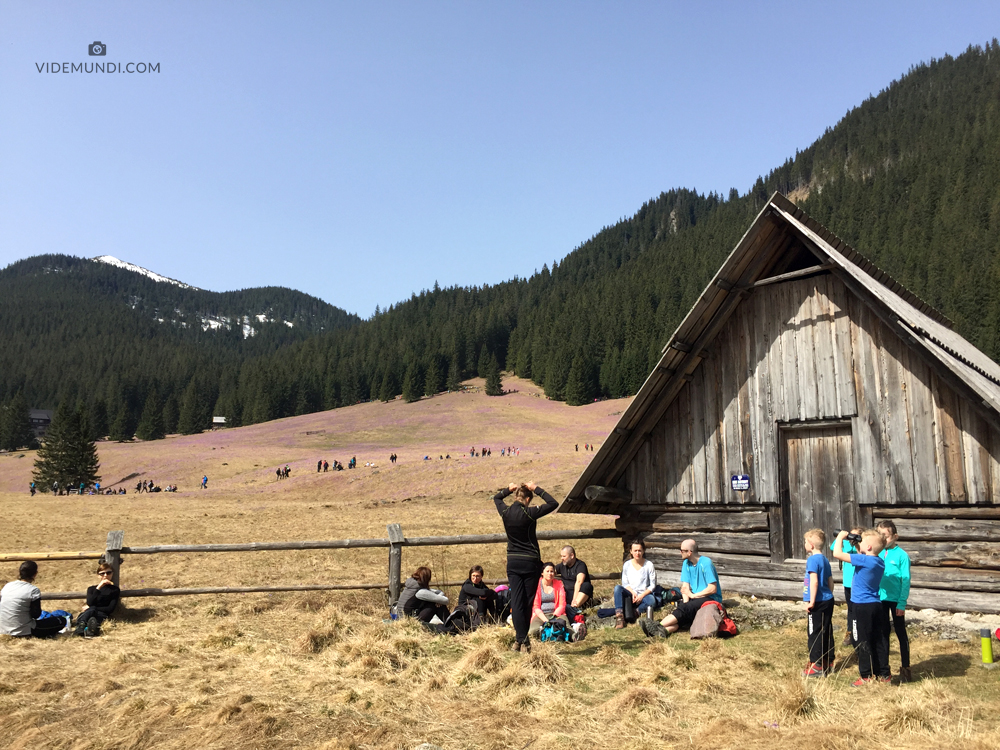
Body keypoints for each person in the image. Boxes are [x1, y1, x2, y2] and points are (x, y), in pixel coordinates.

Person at [494, 481, 559, 652]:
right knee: (528, 601)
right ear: (528, 499)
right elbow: (553, 503)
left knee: (516, 600)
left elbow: (497, 497)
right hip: (530, 562)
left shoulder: (506, 512)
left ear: (516, 497)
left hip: (513, 561)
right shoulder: (530, 513)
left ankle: (520, 640)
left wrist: (508, 489)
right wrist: (536, 487)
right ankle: (523, 640)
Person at [833, 529, 889, 685]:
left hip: (861, 606)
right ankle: (883, 674)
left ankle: (865, 676)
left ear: (869, 547)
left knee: (860, 640)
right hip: (875, 605)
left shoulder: (863, 560)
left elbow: (837, 554)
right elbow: (864, 554)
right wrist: (858, 543)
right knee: (877, 640)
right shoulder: (878, 562)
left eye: (864, 542)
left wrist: (840, 537)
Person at [657, 539, 722, 634]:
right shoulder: (686, 563)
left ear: (689, 552)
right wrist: (686, 602)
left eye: (682, 550)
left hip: (710, 598)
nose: (680, 552)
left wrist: (693, 596)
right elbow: (685, 587)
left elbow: (712, 589)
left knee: (685, 609)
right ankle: (663, 631)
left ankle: (657, 625)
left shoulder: (706, 563)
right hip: (695, 597)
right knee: (684, 611)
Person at [877, 520, 912, 683]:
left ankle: (906, 667)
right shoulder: (877, 553)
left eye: (886, 536)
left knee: (900, 633)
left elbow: (905, 579)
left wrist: (902, 603)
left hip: (896, 600)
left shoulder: (901, 555)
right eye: (880, 535)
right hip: (880, 600)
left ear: (895, 536)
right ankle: (884, 670)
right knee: (883, 634)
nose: (883, 539)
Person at [0, 561, 65, 638]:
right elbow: (36, 614)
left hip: (3, 629)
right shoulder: (33, 590)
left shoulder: (7, 586)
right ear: (35, 574)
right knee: (61, 620)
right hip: (24, 630)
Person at [802, 529, 835, 677]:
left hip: (818, 601)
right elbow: (830, 582)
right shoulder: (825, 560)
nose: (804, 544)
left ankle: (816, 665)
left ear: (811, 544)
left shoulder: (812, 560)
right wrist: (829, 595)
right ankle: (827, 661)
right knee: (826, 630)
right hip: (827, 599)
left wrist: (812, 602)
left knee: (814, 632)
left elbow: (814, 582)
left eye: (804, 542)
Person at [613, 540, 656, 629]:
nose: (637, 553)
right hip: (630, 593)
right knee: (617, 588)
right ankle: (620, 617)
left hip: (644, 594)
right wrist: (633, 593)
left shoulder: (649, 565)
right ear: (631, 551)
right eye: (635, 550)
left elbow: (652, 585)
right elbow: (625, 583)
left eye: (639, 550)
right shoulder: (627, 565)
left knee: (651, 600)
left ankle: (635, 612)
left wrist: (641, 596)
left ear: (643, 551)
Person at [833, 526, 863, 647]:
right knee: (850, 609)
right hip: (847, 582)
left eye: (856, 535)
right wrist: (842, 537)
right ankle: (850, 632)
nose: (852, 538)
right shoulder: (845, 544)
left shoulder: (860, 547)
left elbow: (862, 555)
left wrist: (857, 544)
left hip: (857, 583)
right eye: (851, 535)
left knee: (858, 608)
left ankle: (859, 632)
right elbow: (834, 549)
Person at [73, 562, 120, 637]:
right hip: (89, 612)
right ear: (98, 575)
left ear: (112, 574)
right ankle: (82, 627)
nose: (105, 575)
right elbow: (90, 602)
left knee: (94, 616)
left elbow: (110, 609)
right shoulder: (91, 589)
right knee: (90, 613)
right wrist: (99, 587)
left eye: (108, 573)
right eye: (102, 573)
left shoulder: (114, 590)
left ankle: (89, 629)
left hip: (101, 614)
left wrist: (93, 608)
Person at [528, 562, 566, 638]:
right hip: (540, 615)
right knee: (532, 632)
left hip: (556, 614)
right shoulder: (537, 585)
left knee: (566, 627)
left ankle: (575, 635)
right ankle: (545, 633)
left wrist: (554, 616)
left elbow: (562, 604)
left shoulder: (559, 584)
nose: (550, 573)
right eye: (547, 571)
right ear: (542, 573)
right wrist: (546, 620)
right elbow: (536, 607)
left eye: (552, 571)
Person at [556, 545, 593, 620]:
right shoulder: (562, 565)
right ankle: (572, 610)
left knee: (587, 586)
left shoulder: (580, 565)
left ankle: (574, 608)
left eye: (564, 556)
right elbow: (551, 570)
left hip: (579, 595)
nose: (561, 558)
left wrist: (574, 599)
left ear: (572, 555)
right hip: (566, 595)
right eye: (561, 556)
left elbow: (579, 582)